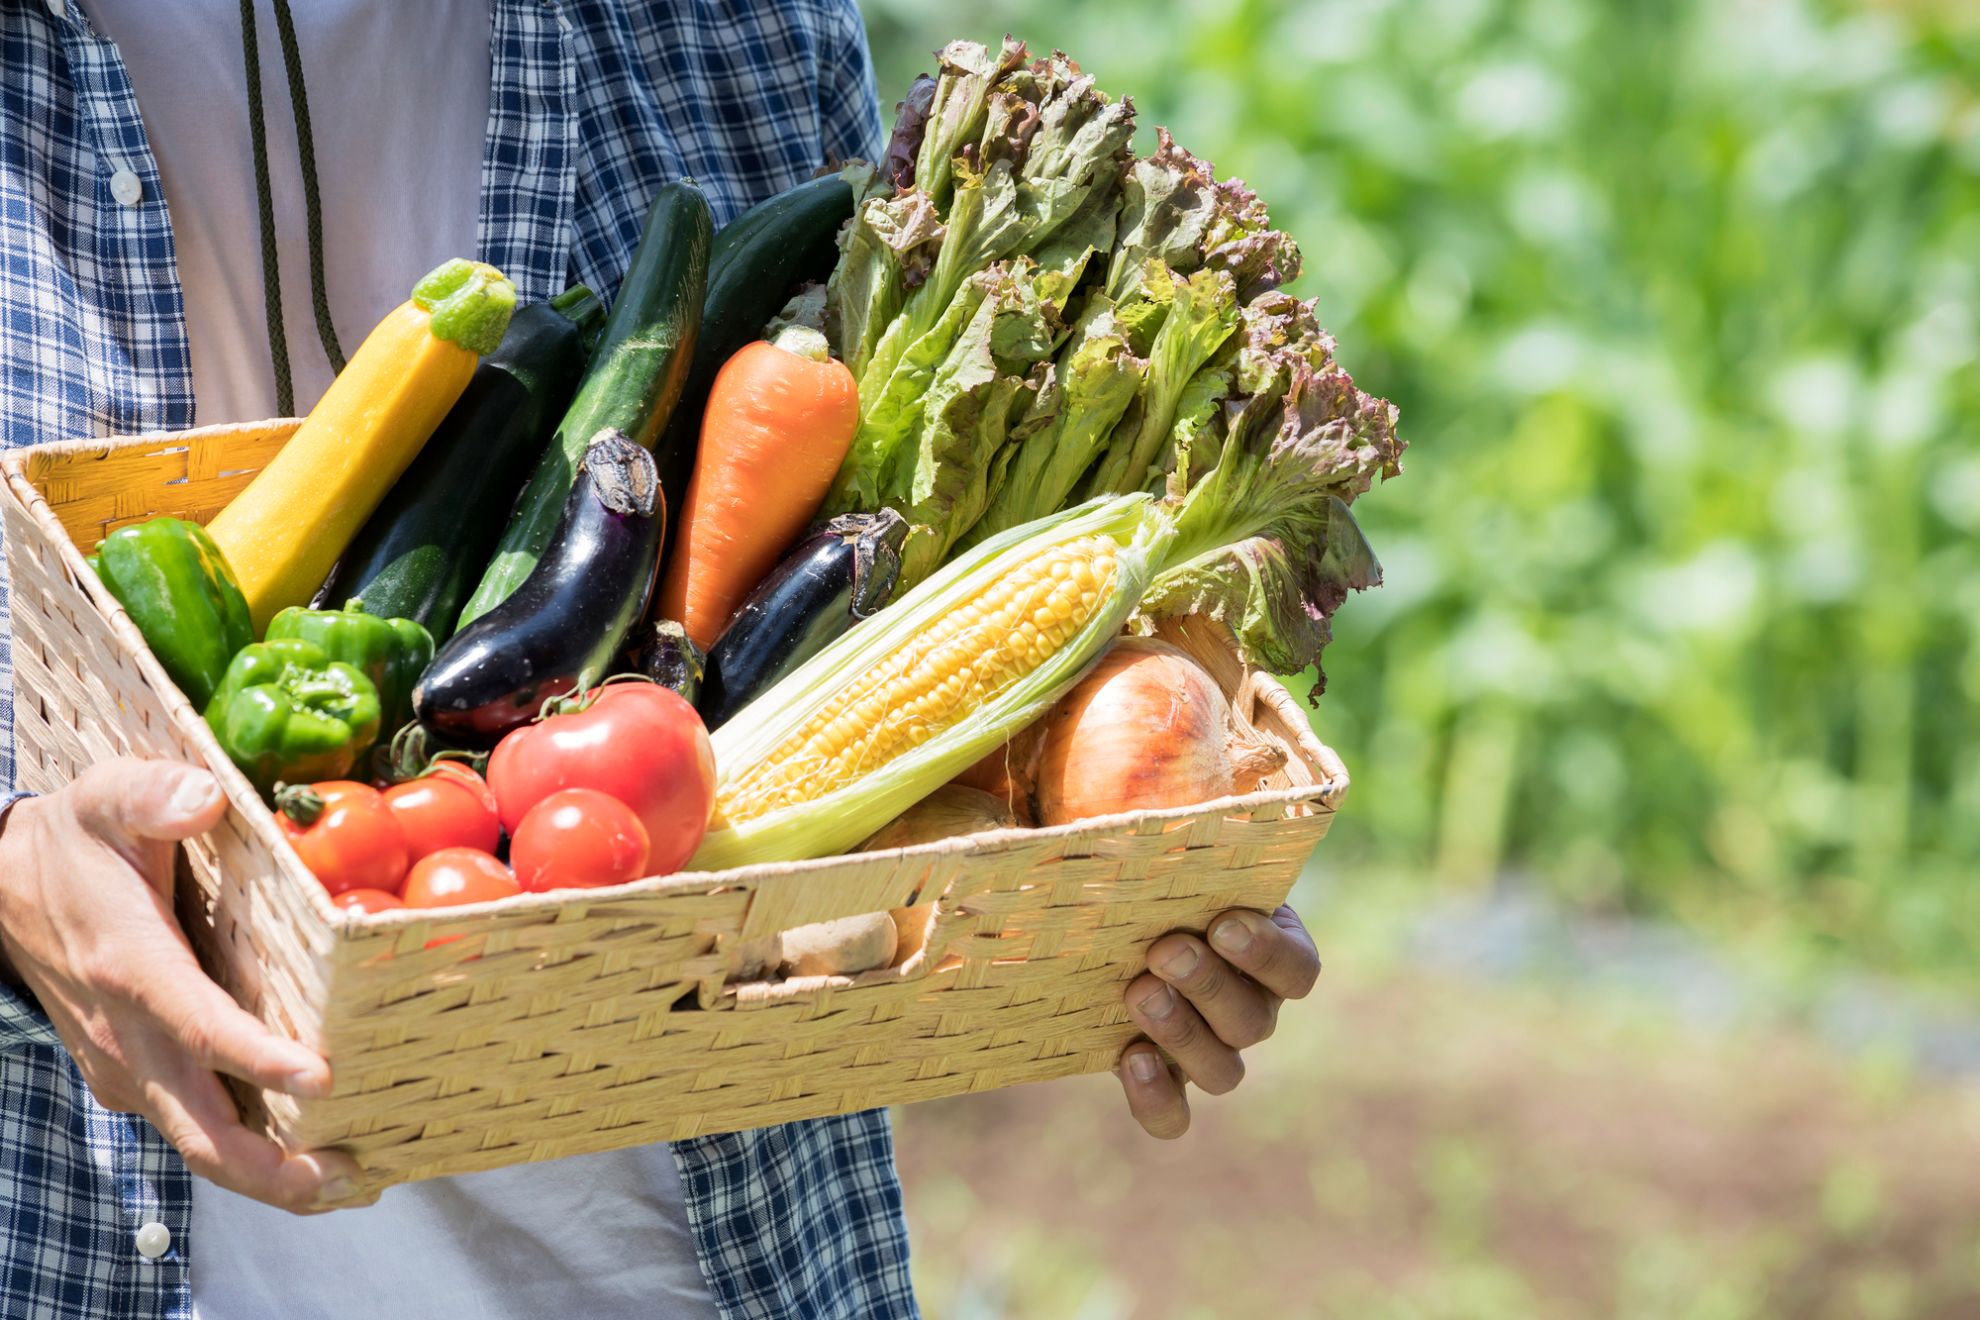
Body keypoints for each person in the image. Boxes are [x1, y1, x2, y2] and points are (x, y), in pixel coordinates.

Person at [0, 2, 1323, 1316]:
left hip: (674, 1266)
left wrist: (1145, 861)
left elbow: (929, 638)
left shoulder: (741, 27)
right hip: (103, 1240)